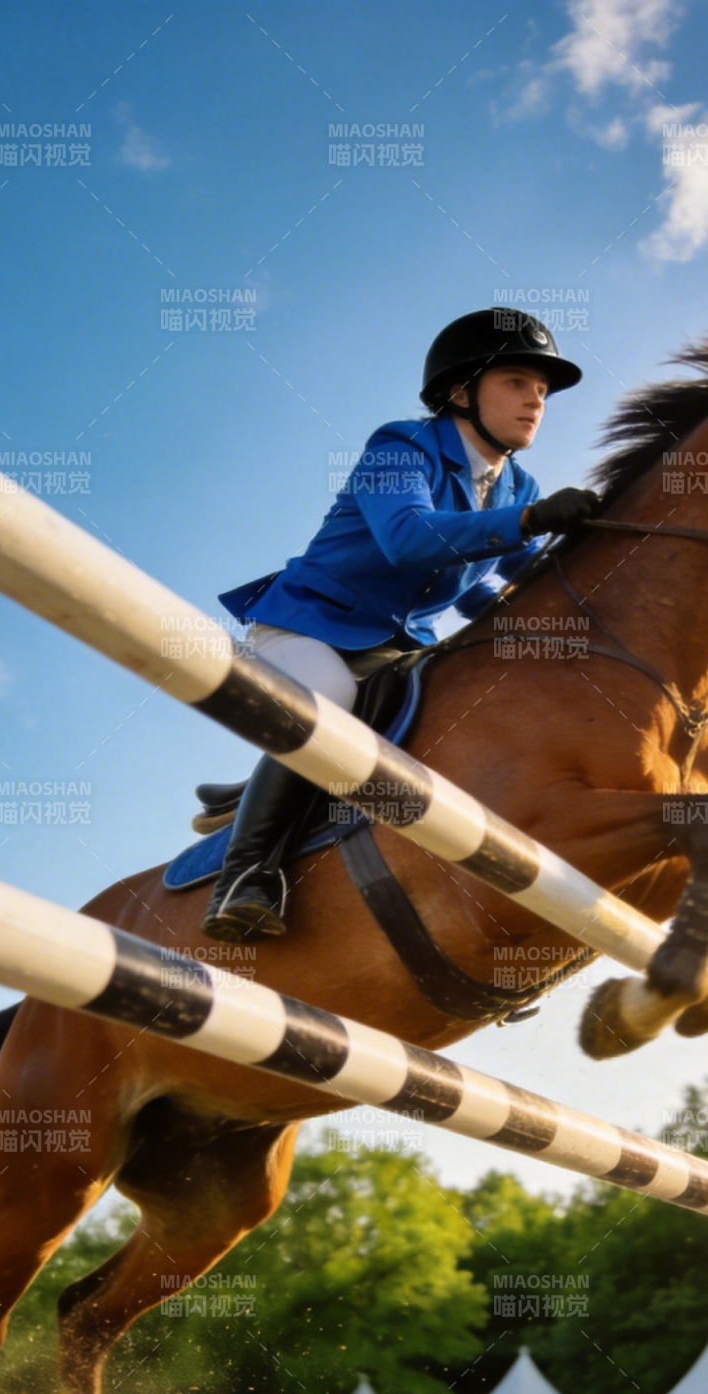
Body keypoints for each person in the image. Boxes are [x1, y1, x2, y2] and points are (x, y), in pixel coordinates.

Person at [203, 309, 600, 942]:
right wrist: (529, 525)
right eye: (517, 383)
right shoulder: (400, 445)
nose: (534, 403)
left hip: (398, 650)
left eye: (543, 393)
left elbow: (509, 583)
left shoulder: (517, 486)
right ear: (459, 392)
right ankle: (245, 876)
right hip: (306, 628)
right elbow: (407, 540)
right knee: (328, 700)